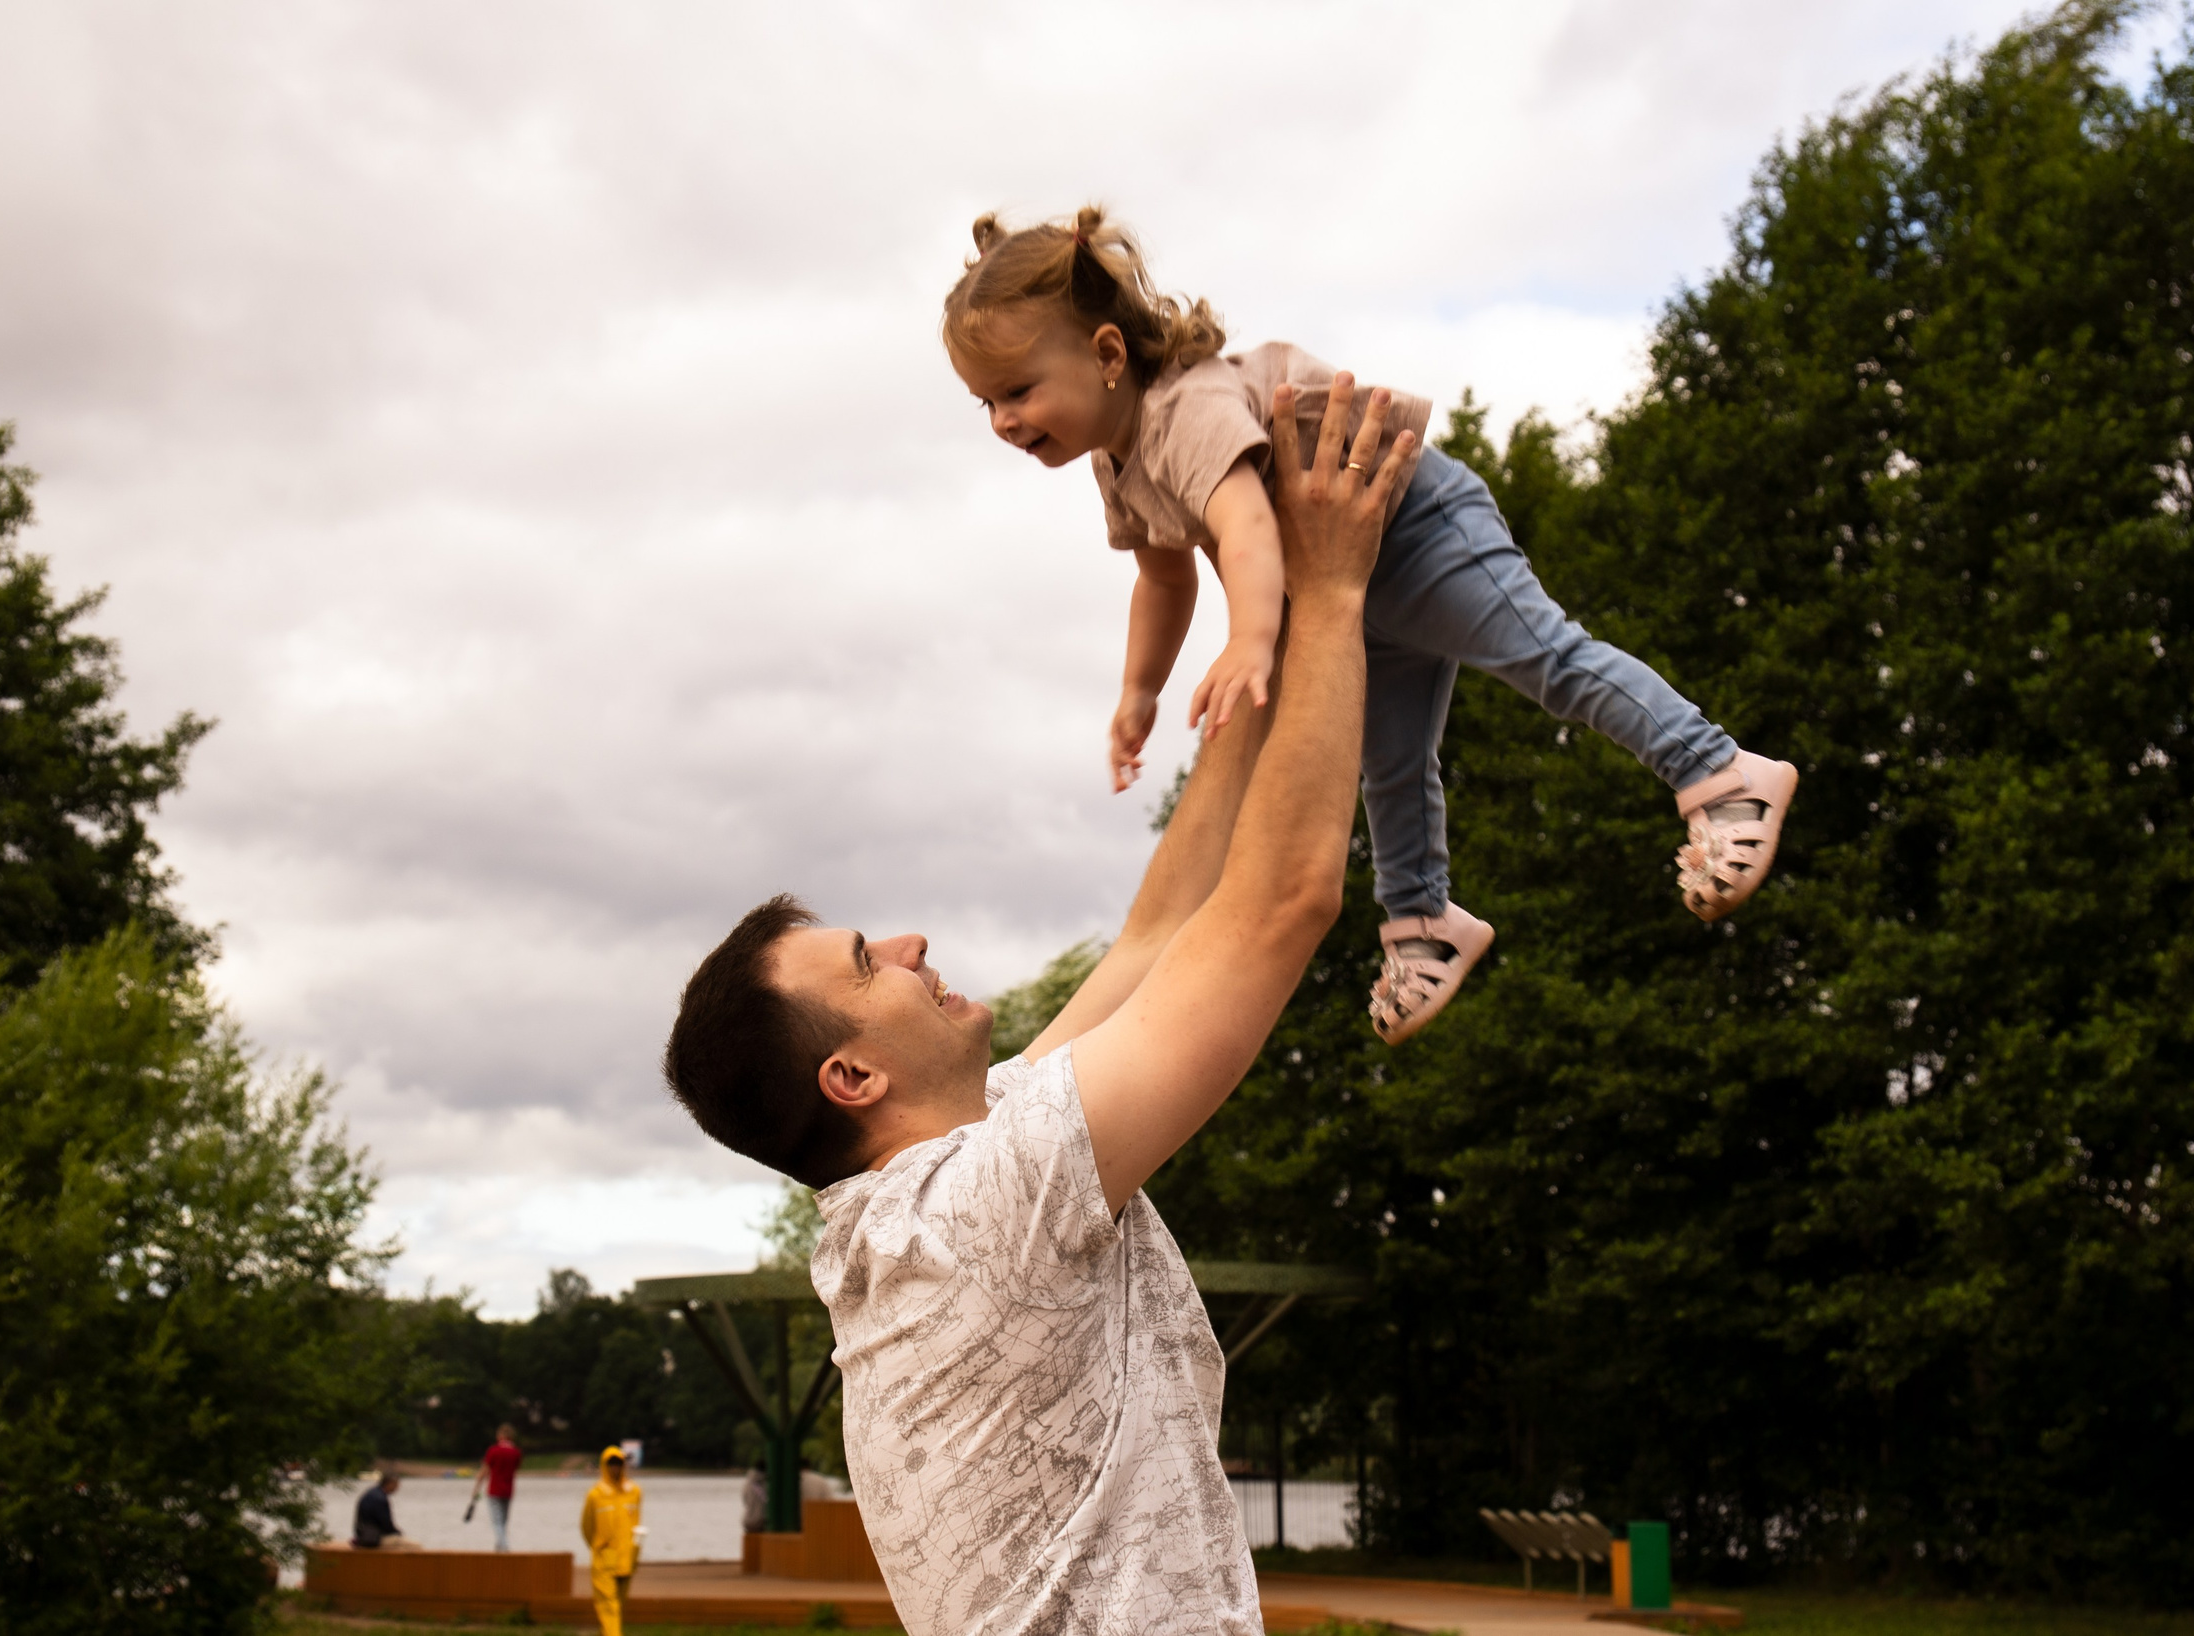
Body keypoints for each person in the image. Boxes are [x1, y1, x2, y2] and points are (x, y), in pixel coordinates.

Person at [666, 380, 1403, 1634]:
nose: (909, 943)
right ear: (851, 1077)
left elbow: (1163, 933)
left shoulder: (933, 1196)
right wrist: (1331, 590)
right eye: (866, 961)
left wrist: (1252, 627)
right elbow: (1281, 904)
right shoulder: (981, 1211)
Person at [940, 206, 1799, 1044]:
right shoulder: (1121, 464)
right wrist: (1139, 690)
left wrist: (1250, 640)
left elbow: (1242, 526)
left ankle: (1720, 771)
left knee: (1547, 657)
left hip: (1417, 528)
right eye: (986, 404)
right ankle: (1424, 918)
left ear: (1107, 354)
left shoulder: (1184, 411)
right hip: (1342, 582)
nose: (1006, 420)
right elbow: (1163, 576)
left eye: (1018, 390)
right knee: (1388, 759)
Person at [578, 1445, 642, 1636]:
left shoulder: (634, 1492)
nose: (615, 1468)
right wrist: (598, 1545)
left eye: (619, 1463)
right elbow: (586, 1526)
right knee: (609, 1607)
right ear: (604, 1465)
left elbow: (636, 1523)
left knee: (617, 1607)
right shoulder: (595, 1495)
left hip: (626, 1558)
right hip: (604, 1559)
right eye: (611, 1464)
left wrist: (634, 1551)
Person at [470, 1423, 522, 1551]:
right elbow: (515, 1469)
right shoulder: (516, 1453)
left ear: (500, 1436)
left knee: (497, 1523)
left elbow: (484, 1471)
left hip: (494, 1491)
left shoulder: (493, 1451)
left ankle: (504, 1548)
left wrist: (476, 1489)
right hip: (508, 1491)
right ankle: (499, 1550)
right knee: (503, 1522)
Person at [351, 1470, 420, 1551]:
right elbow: (386, 1524)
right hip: (374, 1539)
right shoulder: (380, 1499)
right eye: (396, 1485)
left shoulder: (371, 1493)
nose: (397, 1488)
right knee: (415, 1546)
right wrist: (397, 1533)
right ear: (390, 1483)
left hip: (363, 1535)